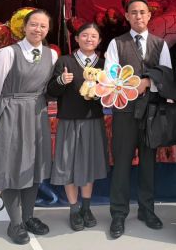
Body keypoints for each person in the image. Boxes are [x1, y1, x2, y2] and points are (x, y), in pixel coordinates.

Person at [0, 9, 58, 245]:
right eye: (33, 24)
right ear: (23, 27)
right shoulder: (7, 53)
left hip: (37, 113)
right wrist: (10, 108)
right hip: (11, 113)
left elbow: (49, 87)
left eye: (43, 26)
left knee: (33, 167)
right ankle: (15, 223)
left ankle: (28, 217)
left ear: (48, 29)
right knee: (11, 167)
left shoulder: (52, 55)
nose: (38, 29)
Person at [105, 0, 172, 239]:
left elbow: (166, 74)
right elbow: (110, 75)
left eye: (142, 12)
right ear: (126, 16)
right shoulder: (116, 43)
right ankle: (118, 213)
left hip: (151, 112)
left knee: (148, 163)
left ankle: (147, 210)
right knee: (122, 163)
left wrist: (149, 81)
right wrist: (133, 84)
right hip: (124, 112)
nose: (138, 16)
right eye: (133, 12)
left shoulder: (160, 44)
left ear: (149, 15)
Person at [46, 23, 108, 232]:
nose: (89, 39)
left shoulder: (104, 64)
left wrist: (103, 91)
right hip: (69, 120)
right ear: (76, 39)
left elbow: (110, 95)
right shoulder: (65, 61)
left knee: (88, 164)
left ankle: (86, 208)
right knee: (68, 165)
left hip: (93, 120)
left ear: (99, 40)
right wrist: (61, 80)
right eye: (85, 35)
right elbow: (51, 91)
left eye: (93, 36)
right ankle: (74, 209)